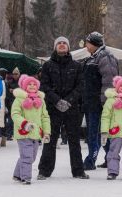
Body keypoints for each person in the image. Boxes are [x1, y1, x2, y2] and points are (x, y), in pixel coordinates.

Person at [37, 36, 89, 180]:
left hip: (71, 108)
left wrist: (68, 101)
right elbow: (44, 86)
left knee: (74, 141)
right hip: (52, 108)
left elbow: (80, 86)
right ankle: (44, 171)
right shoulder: (47, 66)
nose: (61, 45)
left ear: (68, 47)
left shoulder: (77, 66)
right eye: (59, 43)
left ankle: (78, 171)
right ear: (55, 47)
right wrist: (57, 101)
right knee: (50, 140)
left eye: (64, 43)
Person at [82, 31, 119, 170]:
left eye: (87, 42)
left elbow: (110, 82)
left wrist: (105, 103)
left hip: (99, 103)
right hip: (91, 102)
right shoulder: (92, 57)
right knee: (99, 132)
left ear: (93, 43)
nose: (86, 45)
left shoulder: (105, 57)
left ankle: (91, 160)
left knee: (96, 132)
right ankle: (110, 158)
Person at [11, 74, 50, 185]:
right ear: (24, 86)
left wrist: (47, 132)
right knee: (27, 156)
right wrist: (24, 124)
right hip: (23, 133)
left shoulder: (41, 101)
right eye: (29, 84)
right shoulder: (19, 99)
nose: (32, 86)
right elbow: (15, 114)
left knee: (31, 157)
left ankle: (17, 174)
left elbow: (45, 117)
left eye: (34, 84)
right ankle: (26, 177)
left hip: (36, 133)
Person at [5, 67, 20, 140]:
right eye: (13, 74)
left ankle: (17, 133)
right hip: (11, 102)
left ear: (19, 74)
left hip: (19, 102)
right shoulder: (9, 82)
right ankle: (9, 134)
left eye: (16, 74)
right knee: (10, 119)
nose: (15, 75)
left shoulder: (21, 82)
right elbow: (7, 93)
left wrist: (14, 91)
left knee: (18, 119)